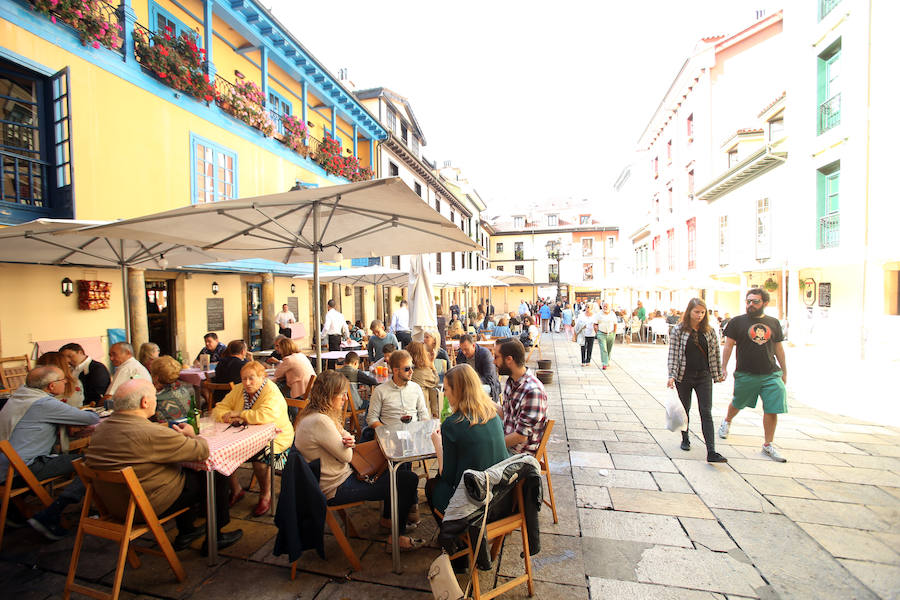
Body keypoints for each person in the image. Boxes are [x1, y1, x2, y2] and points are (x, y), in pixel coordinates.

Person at [85, 380, 242, 551]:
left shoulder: (100, 430)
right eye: (154, 396)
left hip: (113, 505)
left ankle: (187, 531)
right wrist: (191, 435)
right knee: (215, 473)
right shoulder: (150, 434)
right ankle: (215, 537)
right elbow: (201, 451)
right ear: (145, 402)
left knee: (185, 472)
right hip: (145, 506)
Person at [294, 371, 422, 549]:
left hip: (327, 481)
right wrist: (346, 443)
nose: (345, 398)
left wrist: (345, 440)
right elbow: (347, 456)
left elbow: (346, 436)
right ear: (329, 395)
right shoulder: (320, 421)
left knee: (398, 472)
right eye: (342, 394)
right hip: (335, 488)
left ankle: (388, 520)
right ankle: (396, 536)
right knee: (408, 480)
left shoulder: (313, 414)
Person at [0, 366, 99, 539]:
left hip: (6, 467)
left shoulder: (21, 395)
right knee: (92, 462)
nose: (67, 382)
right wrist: (88, 412)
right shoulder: (44, 403)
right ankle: (51, 513)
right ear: (51, 386)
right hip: (21, 469)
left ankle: (14, 512)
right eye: (63, 380)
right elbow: (91, 419)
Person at [212, 361, 294, 515]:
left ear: (262, 377)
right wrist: (226, 416)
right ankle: (236, 489)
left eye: (251, 378)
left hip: (277, 437)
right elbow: (220, 408)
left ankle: (265, 494)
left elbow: (265, 415)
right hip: (244, 436)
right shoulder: (238, 390)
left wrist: (239, 414)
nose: (247, 383)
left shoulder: (271, 391)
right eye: (243, 379)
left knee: (260, 461)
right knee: (224, 454)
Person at [426, 364, 508, 516]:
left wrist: (438, 443)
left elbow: (447, 476)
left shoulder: (452, 424)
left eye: (446, 389)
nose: (444, 394)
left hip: (473, 503)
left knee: (432, 486)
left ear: (457, 391)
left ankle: (454, 536)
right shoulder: (493, 415)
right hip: (502, 499)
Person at [718, 288, 789, 463]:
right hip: (746, 373)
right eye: (748, 301)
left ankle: (768, 444)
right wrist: (723, 367)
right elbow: (728, 346)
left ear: (765, 303)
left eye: (755, 301)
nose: (750, 304)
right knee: (738, 402)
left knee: (772, 407)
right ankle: (727, 421)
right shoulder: (737, 322)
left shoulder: (773, 323)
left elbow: (779, 348)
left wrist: (784, 371)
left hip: (770, 373)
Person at [666, 298, 727, 463]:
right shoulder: (679, 330)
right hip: (684, 375)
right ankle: (685, 438)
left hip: (704, 375)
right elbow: (673, 354)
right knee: (684, 409)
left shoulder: (709, 331)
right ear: (689, 312)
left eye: (702, 312)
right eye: (696, 312)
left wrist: (717, 373)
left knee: (706, 411)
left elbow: (714, 354)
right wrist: (671, 375)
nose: (699, 315)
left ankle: (711, 451)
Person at [492, 340, 548, 454]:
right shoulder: (512, 381)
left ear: (509, 359)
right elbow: (506, 414)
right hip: (508, 448)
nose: (493, 361)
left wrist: (491, 446)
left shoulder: (533, 391)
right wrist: (481, 398)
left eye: (496, 357)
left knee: (473, 454)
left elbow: (521, 436)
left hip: (519, 456)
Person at [366, 350, 429, 431]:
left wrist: (424, 430)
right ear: (395, 370)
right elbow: (372, 419)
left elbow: (423, 414)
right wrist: (387, 432)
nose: (411, 371)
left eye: (412, 367)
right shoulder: (380, 391)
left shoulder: (416, 388)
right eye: (407, 369)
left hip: (414, 434)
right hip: (390, 436)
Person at [59, 343, 111, 408]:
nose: (67, 360)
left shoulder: (97, 368)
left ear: (80, 352)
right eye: (64, 358)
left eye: (70, 356)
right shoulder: (70, 370)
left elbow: (97, 394)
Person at [455, 335, 500, 403]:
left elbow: (489, 378)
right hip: (468, 385)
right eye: (462, 349)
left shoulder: (485, 354)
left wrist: (472, 383)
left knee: (471, 392)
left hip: (487, 385)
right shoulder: (461, 355)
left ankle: (475, 412)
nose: (464, 352)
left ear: (473, 346)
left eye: (466, 349)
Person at [151, 355, 193, 422]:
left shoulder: (155, 399)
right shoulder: (185, 390)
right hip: (187, 426)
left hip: (166, 429)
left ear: (156, 378)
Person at [408, 341, 440, 418]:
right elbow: (436, 381)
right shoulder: (423, 371)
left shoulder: (407, 370)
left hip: (409, 408)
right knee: (433, 390)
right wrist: (432, 365)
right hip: (422, 411)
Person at [596, 303, 617, 370]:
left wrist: (614, 333)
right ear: (602, 307)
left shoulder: (612, 314)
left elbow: (615, 324)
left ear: (609, 307)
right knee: (604, 349)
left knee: (609, 349)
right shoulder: (599, 314)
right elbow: (595, 324)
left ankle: (607, 360)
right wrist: (597, 333)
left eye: (606, 306)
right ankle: (604, 363)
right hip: (601, 334)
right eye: (604, 306)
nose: (605, 308)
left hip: (611, 333)